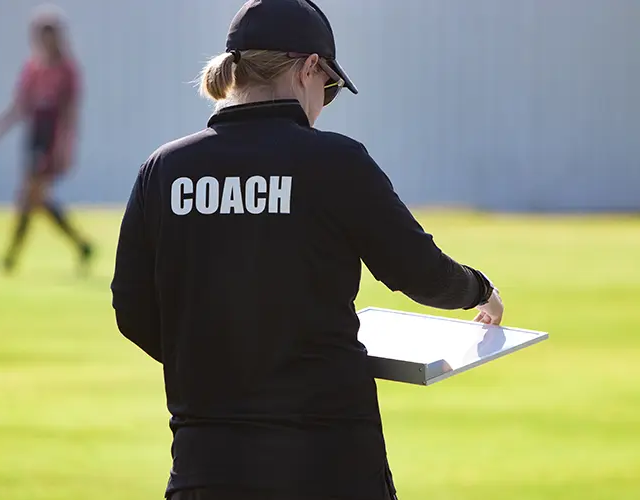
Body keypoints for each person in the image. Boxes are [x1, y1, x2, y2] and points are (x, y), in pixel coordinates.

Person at [111, 0, 504, 499]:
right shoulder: (336, 162)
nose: (324, 102)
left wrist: (222, 366)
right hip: (330, 460)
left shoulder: (164, 170)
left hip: (207, 462)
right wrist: (479, 290)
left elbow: (132, 309)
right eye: (330, 89)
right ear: (309, 69)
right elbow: (420, 272)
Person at [0, 5, 93, 274]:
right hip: (34, 136)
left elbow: (70, 113)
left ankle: (11, 257)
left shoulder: (67, 70)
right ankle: (80, 245)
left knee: (30, 196)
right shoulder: (33, 68)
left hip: (51, 138)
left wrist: (65, 147)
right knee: (34, 198)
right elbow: (20, 106)